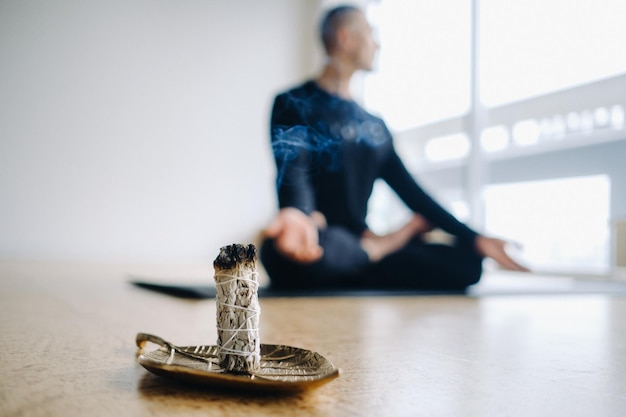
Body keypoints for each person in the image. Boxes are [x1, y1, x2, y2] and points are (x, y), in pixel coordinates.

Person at [260, 5, 528, 291]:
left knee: (467, 263)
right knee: (282, 255)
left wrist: (474, 238)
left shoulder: (374, 126)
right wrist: (298, 213)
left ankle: (362, 257)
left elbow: (413, 193)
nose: (377, 43)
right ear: (344, 38)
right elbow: (293, 171)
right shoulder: (293, 102)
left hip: (353, 242)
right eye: (370, 33)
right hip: (319, 237)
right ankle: (382, 247)